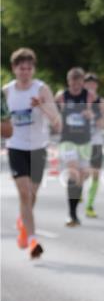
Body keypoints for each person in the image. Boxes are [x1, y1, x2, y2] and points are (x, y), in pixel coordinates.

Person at [3, 48, 61, 257]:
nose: (25, 72)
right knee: (25, 193)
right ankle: (32, 240)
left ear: (33, 69)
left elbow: (56, 121)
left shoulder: (41, 89)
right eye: (21, 68)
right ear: (14, 69)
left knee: (32, 195)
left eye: (29, 68)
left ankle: (23, 223)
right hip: (16, 146)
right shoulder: (7, 92)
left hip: (38, 147)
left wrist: (42, 106)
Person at [55, 68, 95, 226]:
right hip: (68, 139)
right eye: (73, 81)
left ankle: (74, 206)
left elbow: (92, 113)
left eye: (79, 81)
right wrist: (57, 117)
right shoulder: (61, 96)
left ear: (82, 82)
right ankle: (72, 215)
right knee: (74, 172)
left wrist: (89, 114)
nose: (76, 85)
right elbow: (53, 112)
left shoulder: (88, 95)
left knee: (83, 175)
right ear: (68, 81)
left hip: (84, 140)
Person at [82, 72, 104, 218]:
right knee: (83, 173)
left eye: (93, 84)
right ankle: (79, 188)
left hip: (96, 142)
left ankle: (89, 205)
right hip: (80, 143)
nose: (90, 86)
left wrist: (98, 117)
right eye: (87, 83)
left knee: (95, 174)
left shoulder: (101, 102)